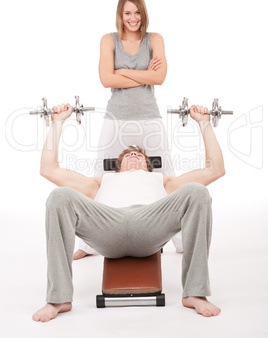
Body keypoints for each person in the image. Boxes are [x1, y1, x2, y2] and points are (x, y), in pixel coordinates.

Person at [32, 102, 225, 322]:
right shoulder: (99, 182)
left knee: (198, 192)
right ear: (118, 165)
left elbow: (215, 169)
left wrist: (204, 123)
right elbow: (48, 169)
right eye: (128, 154)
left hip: (151, 223)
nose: (134, 154)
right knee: (59, 196)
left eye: (139, 155)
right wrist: (57, 123)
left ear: (149, 165)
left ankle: (195, 293)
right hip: (107, 225)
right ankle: (58, 299)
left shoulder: (164, 181)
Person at [74, 0, 180, 260]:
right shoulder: (108, 40)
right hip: (116, 118)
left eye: (137, 12)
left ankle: (181, 242)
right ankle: (88, 245)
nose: (133, 18)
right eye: (127, 13)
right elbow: (106, 80)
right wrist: (145, 75)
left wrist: (124, 72)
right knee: (100, 175)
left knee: (168, 176)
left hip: (149, 117)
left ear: (143, 13)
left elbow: (161, 77)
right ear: (120, 16)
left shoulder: (154, 39)